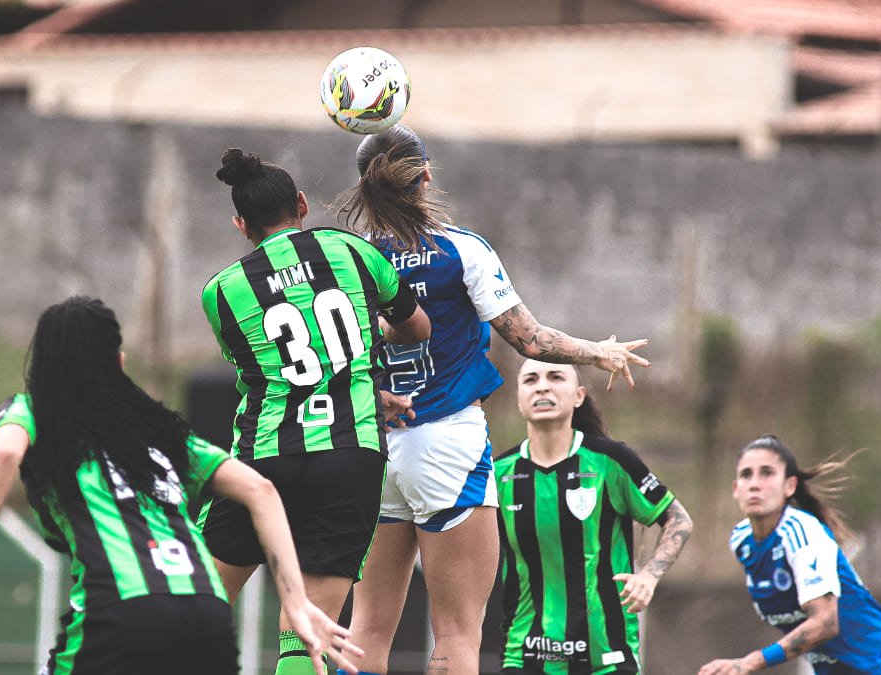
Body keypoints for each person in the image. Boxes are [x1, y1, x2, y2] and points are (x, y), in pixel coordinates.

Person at [330, 124, 651, 675]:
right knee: (457, 631)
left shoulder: (350, 260)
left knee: (365, 630)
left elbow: (334, 355)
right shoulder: (459, 250)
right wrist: (596, 352)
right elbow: (529, 339)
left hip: (372, 445)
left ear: (364, 186)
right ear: (427, 176)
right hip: (446, 443)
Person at [0, 296, 359, 675]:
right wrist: (294, 600)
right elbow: (261, 491)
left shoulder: (36, 410)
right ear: (119, 362)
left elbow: (2, 452)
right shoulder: (159, 428)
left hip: (117, 611)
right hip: (206, 613)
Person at [199, 148, 430, 675]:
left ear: (241, 225)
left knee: (194, 606)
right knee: (304, 632)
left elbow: (265, 370)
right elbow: (417, 328)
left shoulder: (221, 292)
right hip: (350, 457)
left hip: (264, 459)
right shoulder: (351, 250)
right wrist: (368, 360)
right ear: (302, 204)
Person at [496, 359, 692, 673]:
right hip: (525, 654)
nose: (542, 385)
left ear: (579, 395)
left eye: (556, 377)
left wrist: (649, 575)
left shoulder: (609, 461)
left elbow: (678, 518)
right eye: (530, 380)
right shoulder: (498, 474)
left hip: (607, 656)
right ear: (519, 398)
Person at [697, 435, 881, 675]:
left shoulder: (802, 534)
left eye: (767, 473)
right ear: (735, 489)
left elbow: (825, 623)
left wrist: (751, 662)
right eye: (746, 474)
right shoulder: (742, 540)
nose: (754, 483)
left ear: (790, 486)